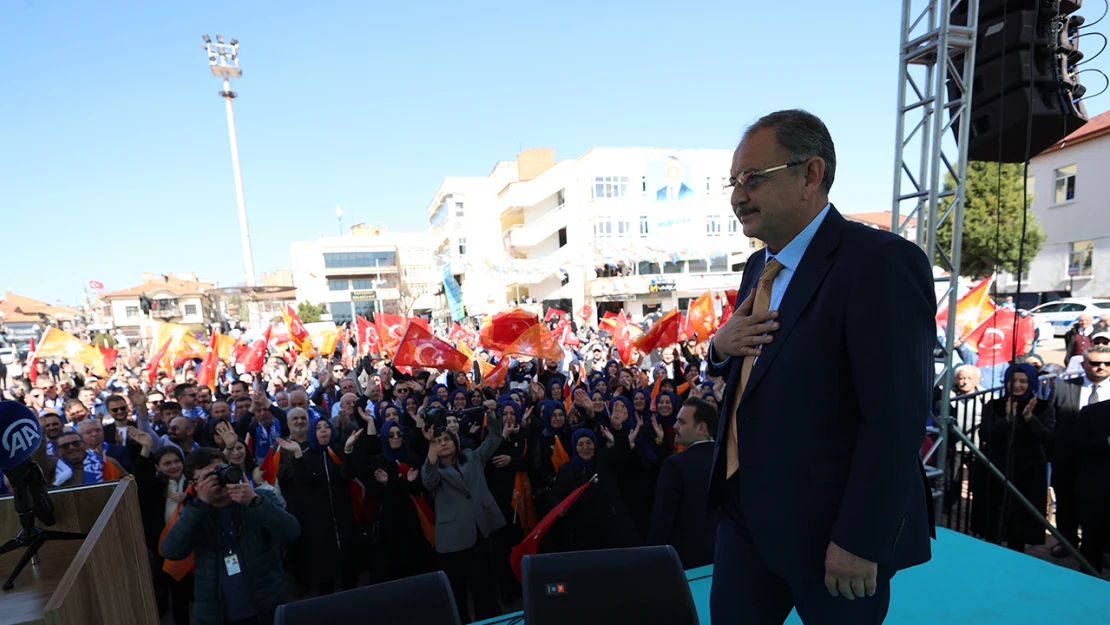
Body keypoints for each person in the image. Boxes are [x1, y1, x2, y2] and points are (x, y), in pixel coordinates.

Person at [707, 110, 934, 624]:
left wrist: (859, 539)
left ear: (810, 174)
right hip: (744, 519)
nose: (737, 195)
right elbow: (751, 367)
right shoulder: (756, 267)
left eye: (752, 178)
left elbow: (895, 417)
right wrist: (719, 348)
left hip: (831, 534)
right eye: (733, 181)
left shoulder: (880, 263)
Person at [161, 447, 300, 625]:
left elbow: (291, 532)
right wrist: (200, 505)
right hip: (216, 615)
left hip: (266, 608)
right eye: (207, 478)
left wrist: (254, 502)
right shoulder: (194, 513)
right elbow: (171, 551)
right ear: (194, 484)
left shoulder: (259, 498)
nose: (217, 481)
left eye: (220, 472)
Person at [421, 400, 505, 624]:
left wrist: (493, 413)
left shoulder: (472, 457)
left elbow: (494, 439)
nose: (443, 444)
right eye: (438, 442)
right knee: (456, 592)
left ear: (455, 441)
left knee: (484, 587)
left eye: (447, 439)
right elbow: (429, 479)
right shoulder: (433, 469)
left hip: (479, 531)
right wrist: (430, 443)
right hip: (453, 540)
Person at [647, 397, 719, 569]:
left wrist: (652, 560)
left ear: (702, 428)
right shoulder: (729, 460)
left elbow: (662, 521)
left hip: (685, 565)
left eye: (681, 422)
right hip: (725, 559)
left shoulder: (675, 465)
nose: (675, 426)